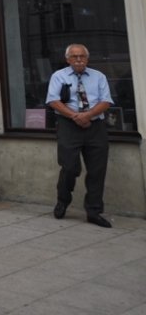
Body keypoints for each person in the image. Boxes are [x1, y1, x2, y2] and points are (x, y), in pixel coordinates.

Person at [46, 44, 114, 227]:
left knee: (97, 170)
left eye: (82, 56)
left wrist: (87, 116)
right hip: (68, 125)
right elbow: (53, 100)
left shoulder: (99, 76)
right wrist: (76, 116)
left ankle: (94, 211)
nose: (79, 60)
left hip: (95, 126)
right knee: (69, 167)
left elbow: (105, 101)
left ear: (87, 58)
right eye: (74, 57)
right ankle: (63, 201)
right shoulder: (58, 76)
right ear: (68, 59)